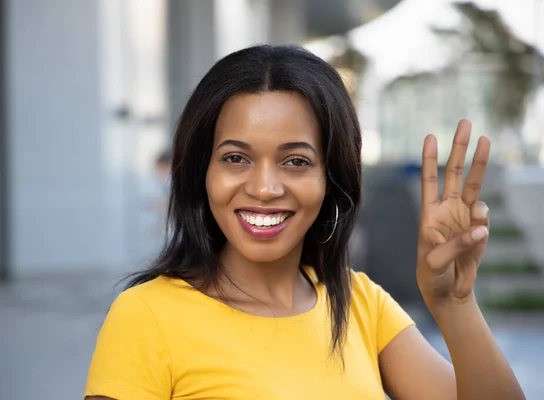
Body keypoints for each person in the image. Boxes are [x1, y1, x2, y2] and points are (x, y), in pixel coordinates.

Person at [84, 45, 525, 400]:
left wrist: (455, 304)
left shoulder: (360, 304)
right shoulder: (146, 316)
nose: (265, 188)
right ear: (203, 173)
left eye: (296, 161)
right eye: (235, 158)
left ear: (331, 180)